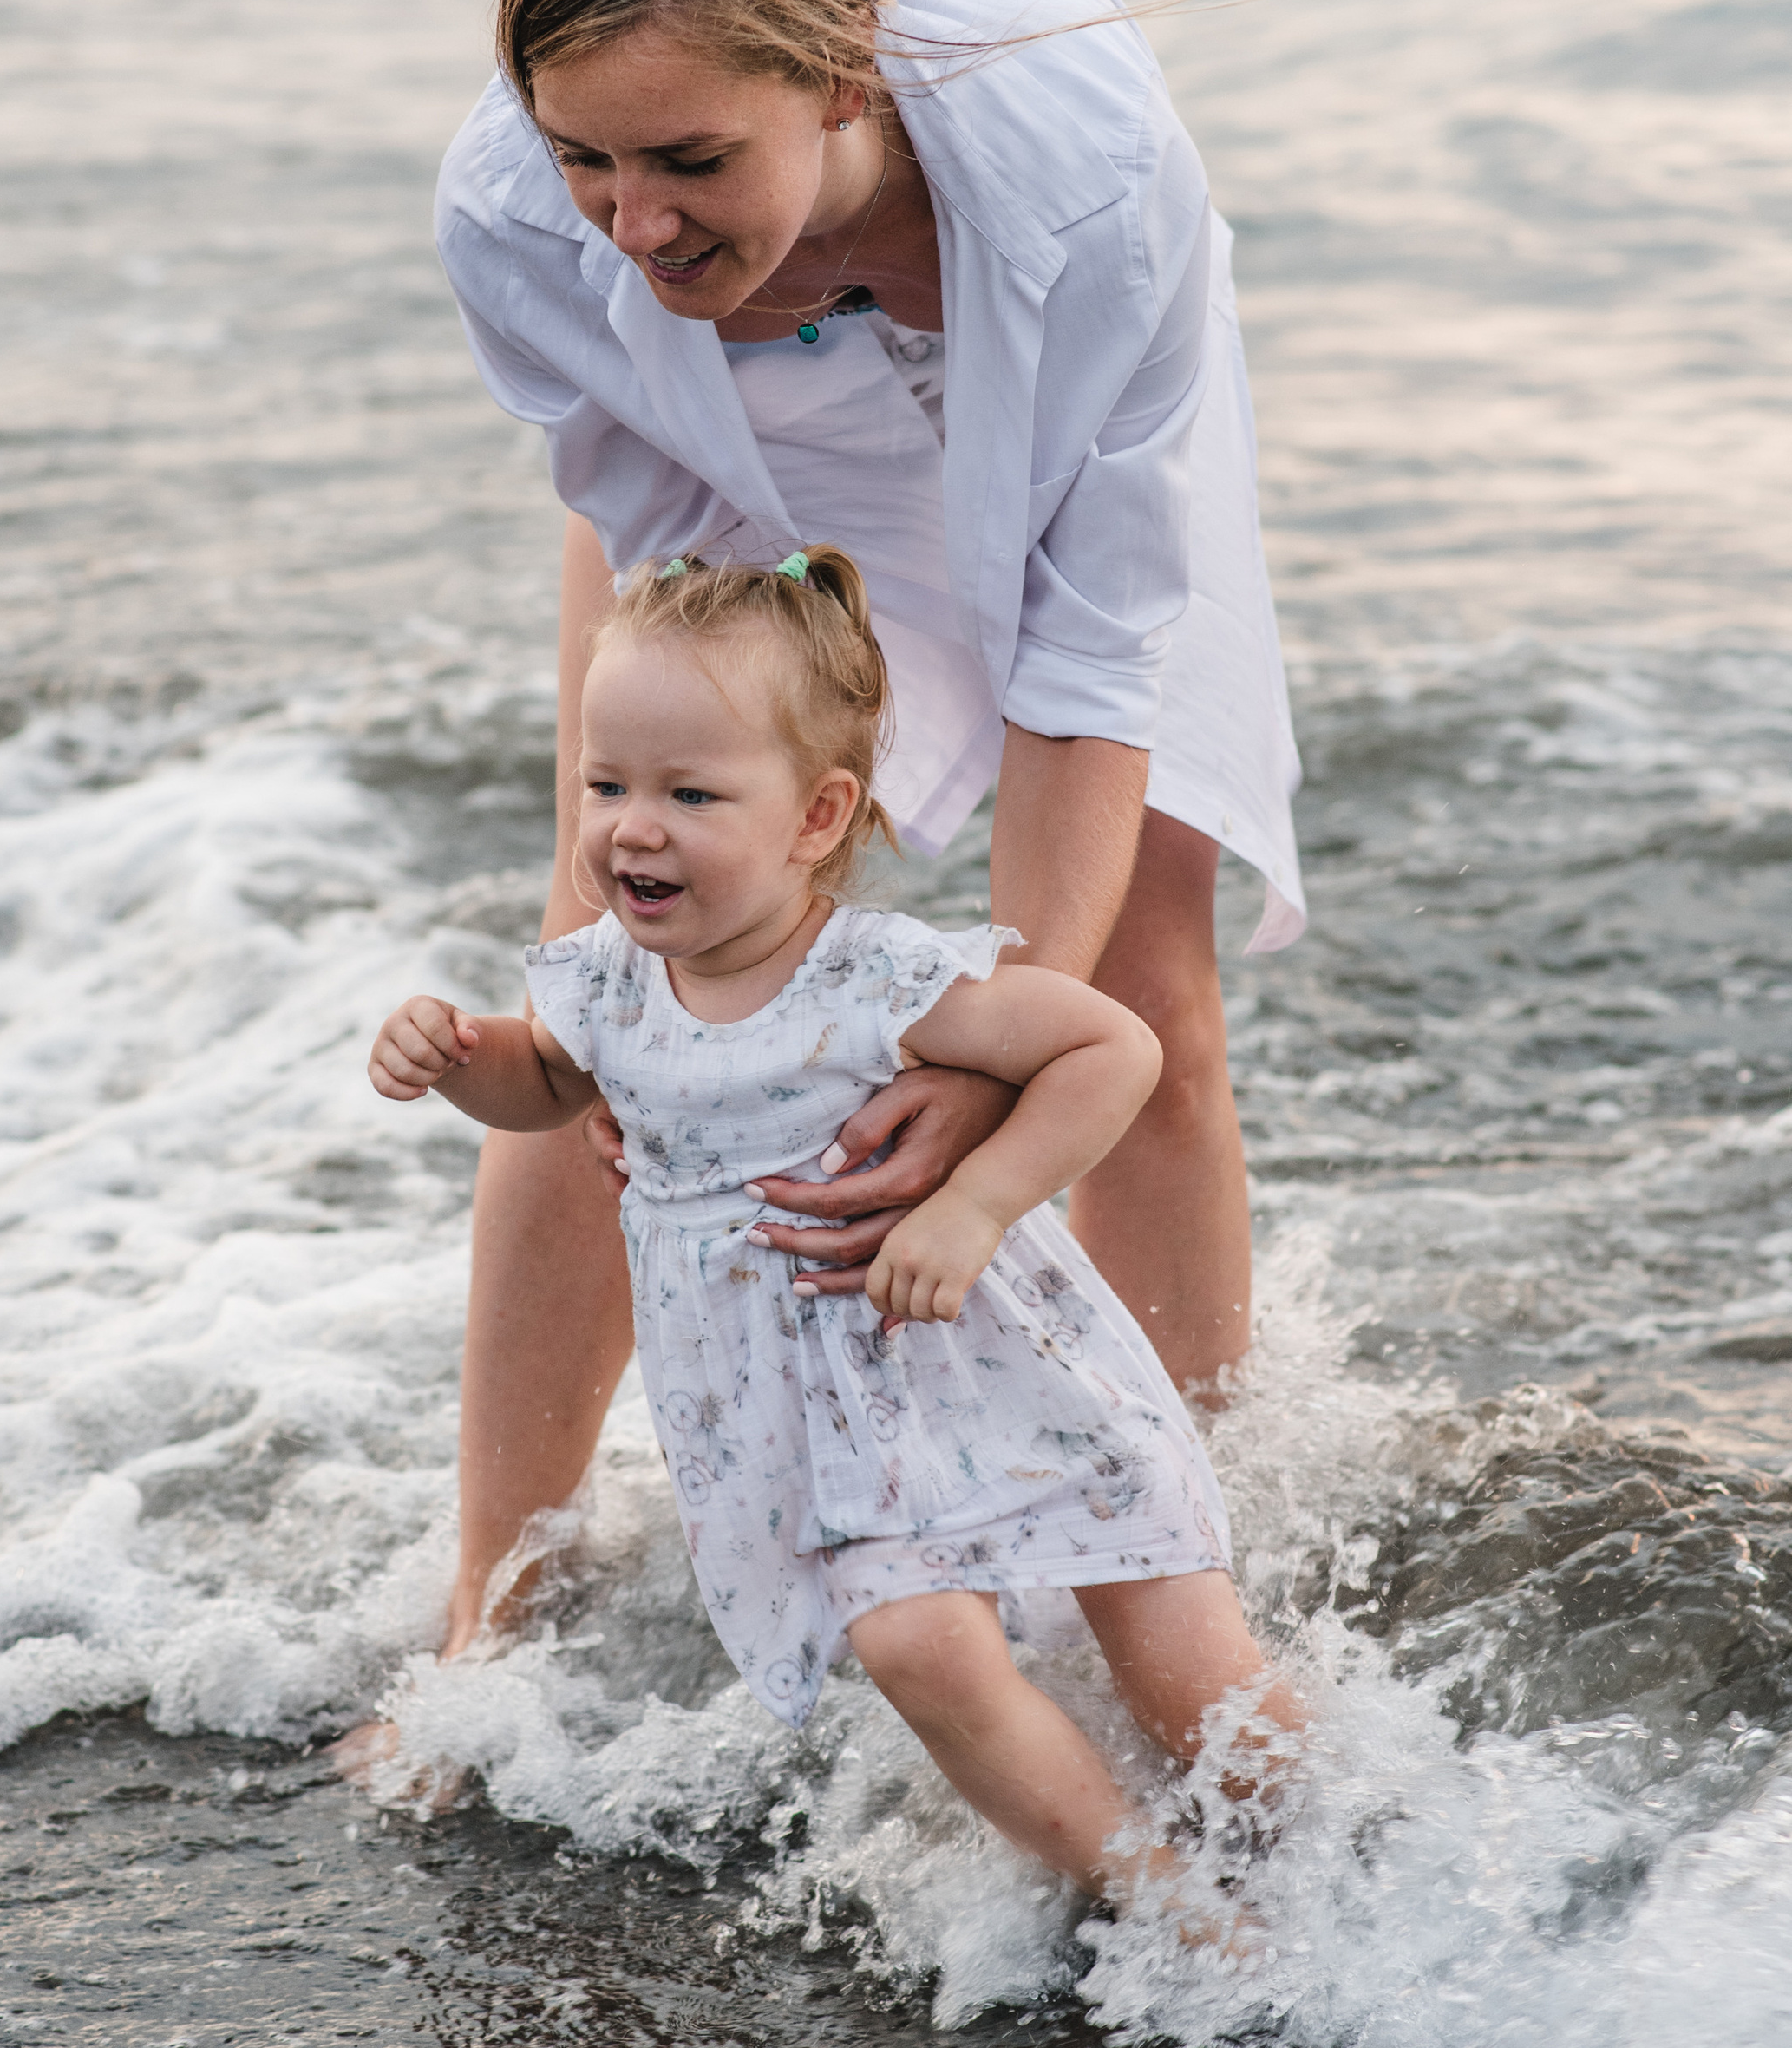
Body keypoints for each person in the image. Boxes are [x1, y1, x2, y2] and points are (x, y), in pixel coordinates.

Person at [416, 0, 1305, 1685]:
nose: (631, 222)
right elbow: (657, 544)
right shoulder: (524, 218)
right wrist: (748, 887)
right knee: (621, 952)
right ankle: (491, 1612)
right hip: (725, 442)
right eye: (582, 153)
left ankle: (1179, 1557)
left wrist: (984, 1065)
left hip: (1059, 401)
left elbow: (1084, 657)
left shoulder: (1082, 193)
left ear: (833, 77)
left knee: (1136, 970)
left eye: (680, 157)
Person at [368, 549, 1301, 1908]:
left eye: (691, 793)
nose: (634, 827)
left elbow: (1112, 1048)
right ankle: (1159, 1900)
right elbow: (545, 1083)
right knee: (921, 1650)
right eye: (605, 782)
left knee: (1195, 1680)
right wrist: (456, 1055)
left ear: (817, 816)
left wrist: (980, 1201)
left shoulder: (877, 977)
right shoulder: (611, 986)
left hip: (1010, 1380)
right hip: (827, 1431)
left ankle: (1376, 1877)